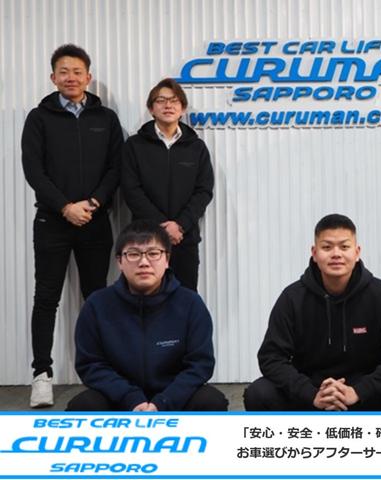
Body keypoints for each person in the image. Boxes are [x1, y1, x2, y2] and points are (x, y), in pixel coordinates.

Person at [21, 44, 123, 407]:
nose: (71, 77)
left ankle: (98, 372)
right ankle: (41, 375)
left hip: (95, 221)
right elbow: (34, 170)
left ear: (88, 77)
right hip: (52, 221)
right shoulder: (39, 118)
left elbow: (116, 168)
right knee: (46, 297)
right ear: (53, 77)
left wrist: (92, 204)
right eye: (63, 71)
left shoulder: (106, 118)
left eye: (77, 72)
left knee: (96, 297)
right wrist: (65, 207)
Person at [244, 214, 381, 411]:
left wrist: (358, 392)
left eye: (344, 247)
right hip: (312, 397)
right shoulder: (292, 298)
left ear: (357, 252)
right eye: (327, 247)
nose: (336, 254)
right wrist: (311, 394)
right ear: (314, 253)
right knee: (258, 393)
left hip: (365, 396)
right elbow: (271, 358)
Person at [67, 220, 228, 411]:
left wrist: (164, 402)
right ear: (120, 261)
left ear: (167, 259)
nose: (144, 262)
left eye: (153, 253)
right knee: (83, 405)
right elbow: (91, 365)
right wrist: (130, 398)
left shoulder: (190, 304)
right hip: (119, 399)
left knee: (211, 400)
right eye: (134, 254)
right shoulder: (97, 305)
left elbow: (200, 364)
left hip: (174, 399)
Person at [121, 78, 213, 291]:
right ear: (151, 109)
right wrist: (161, 227)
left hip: (184, 238)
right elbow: (131, 190)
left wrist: (179, 225)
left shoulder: (196, 147)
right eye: (161, 100)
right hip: (145, 240)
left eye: (174, 100)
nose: (168, 105)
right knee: (145, 297)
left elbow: (204, 190)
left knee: (185, 297)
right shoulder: (134, 146)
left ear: (183, 108)